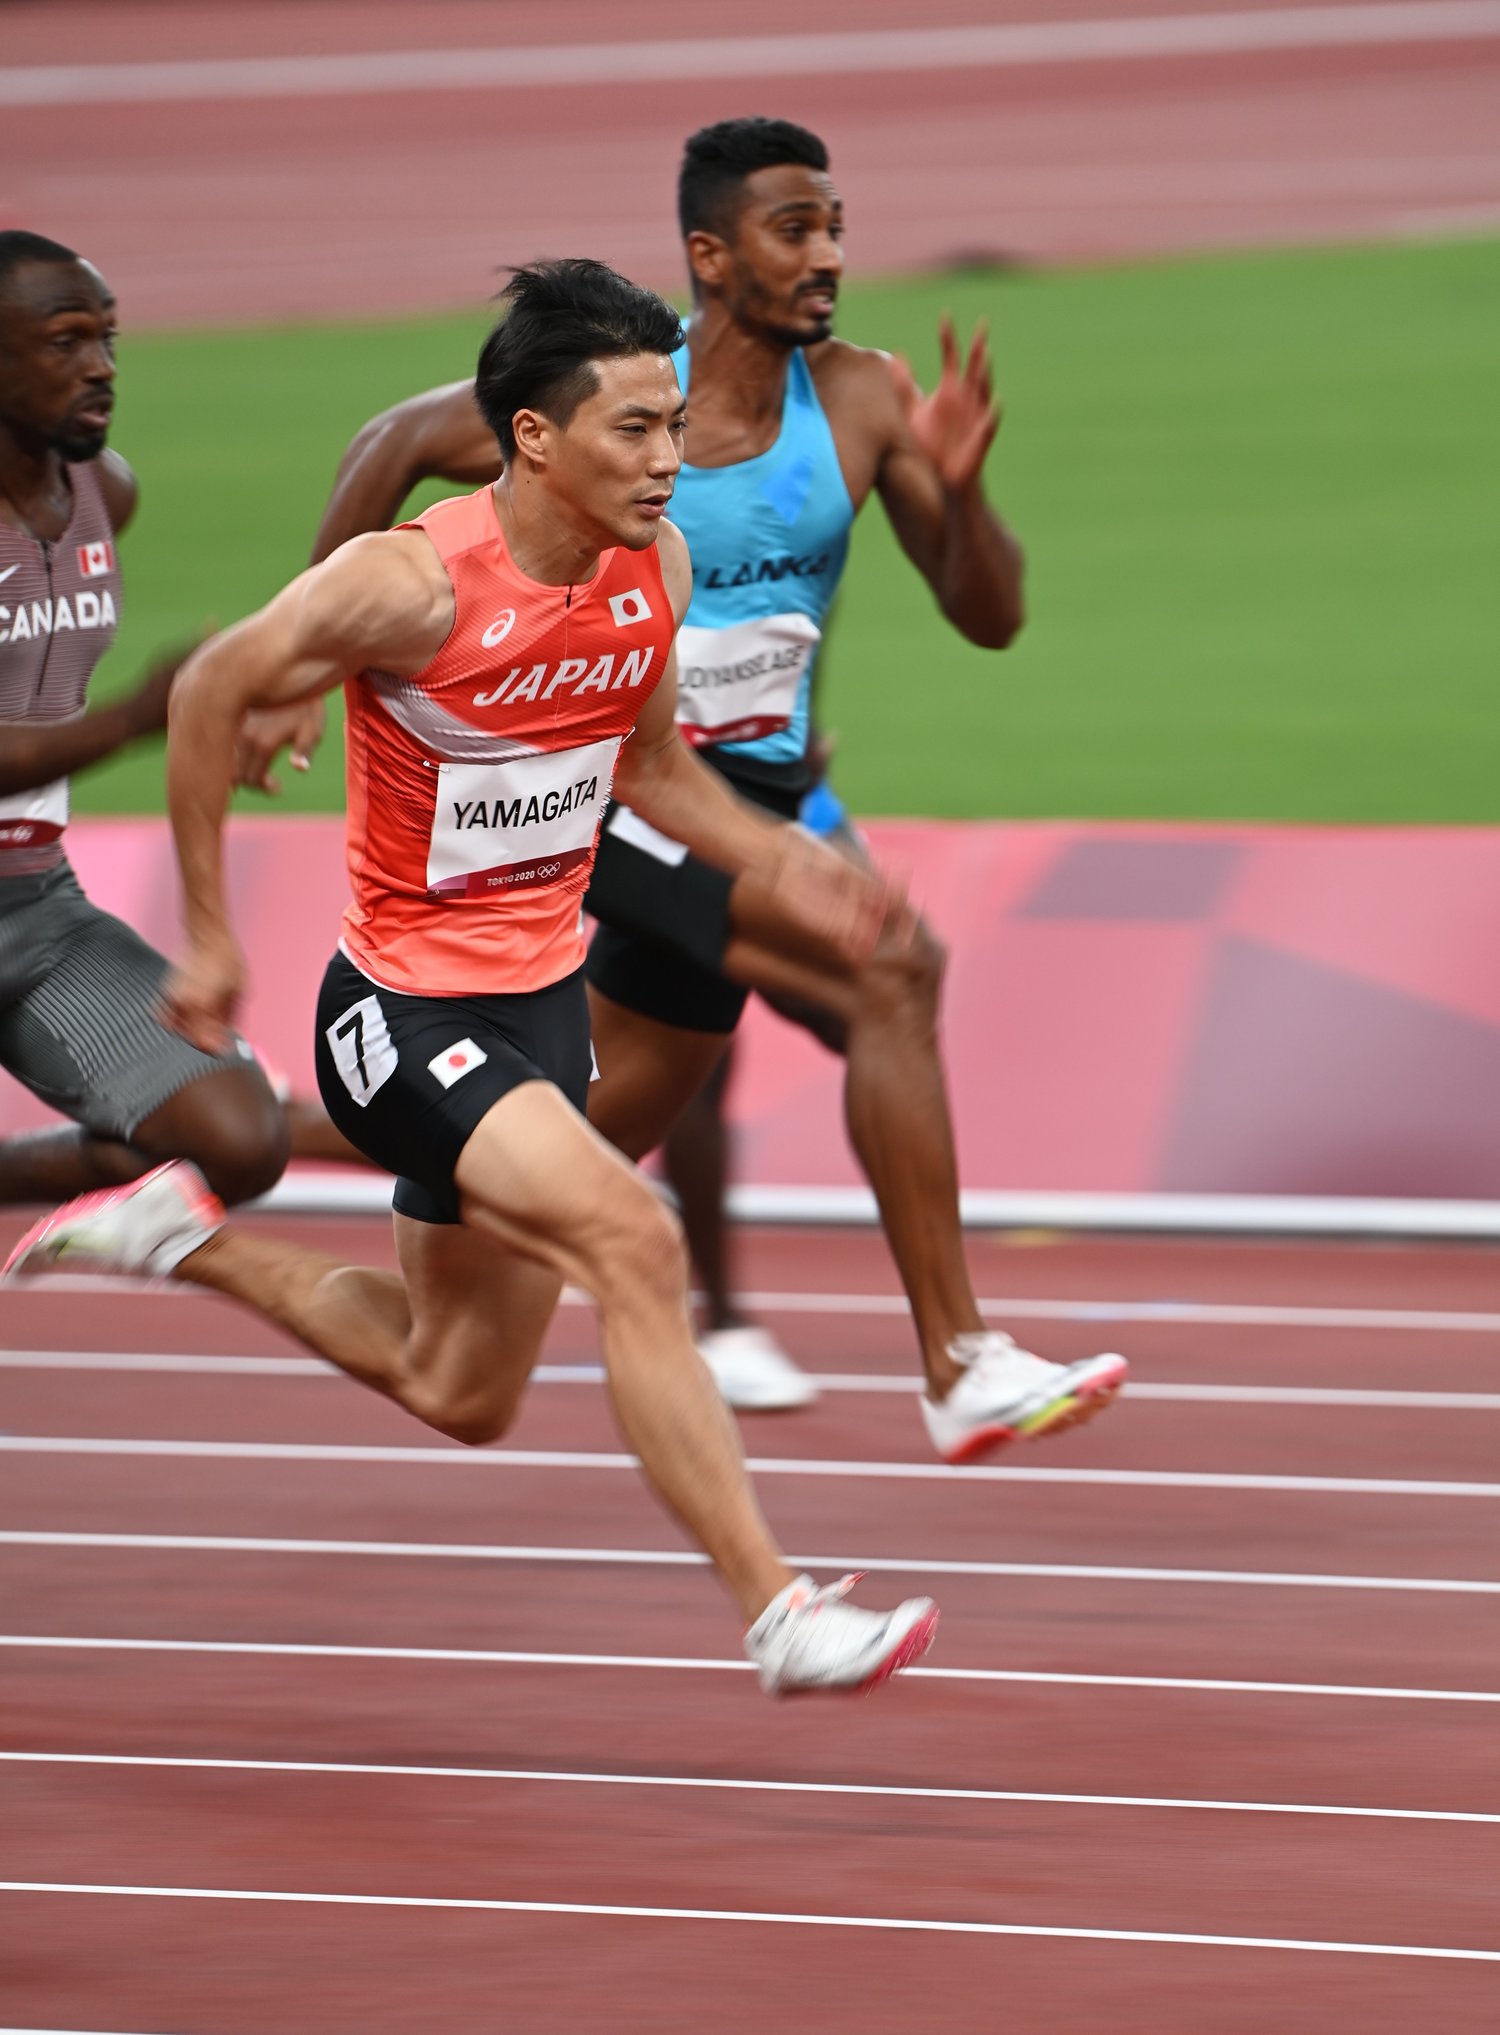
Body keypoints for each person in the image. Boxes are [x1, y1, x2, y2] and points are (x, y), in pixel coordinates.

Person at [6, 259, 938, 1697]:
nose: (671, 459)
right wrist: (211, 934)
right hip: (401, 1009)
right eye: (636, 428)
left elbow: (650, 769)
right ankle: (781, 1611)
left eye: (676, 424)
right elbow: (210, 690)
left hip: (539, 1004)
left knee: (461, 1384)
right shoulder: (409, 582)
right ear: (537, 437)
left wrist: (780, 859)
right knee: (632, 1239)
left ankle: (177, 1237)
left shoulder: (653, 570)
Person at [247, 118, 1127, 1453]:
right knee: (892, 968)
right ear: (711, 255)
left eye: (835, 227)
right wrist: (300, 659)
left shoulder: (864, 400)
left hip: (772, 797)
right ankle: (958, 1359)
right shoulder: (618, 400)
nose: (826, 255)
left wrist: (963, 488)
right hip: (620, 790)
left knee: (596, 1118)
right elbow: (390, 440)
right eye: (793, 229)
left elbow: (988, 617)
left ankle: (245, 1131)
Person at [0, 231, 287, 1209]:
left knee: (239, 1138)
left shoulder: (103, 493)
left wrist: (255, 689)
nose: (102, 367)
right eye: (66, 341)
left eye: (108, 338)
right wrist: (138, 713)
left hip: (37, 904)